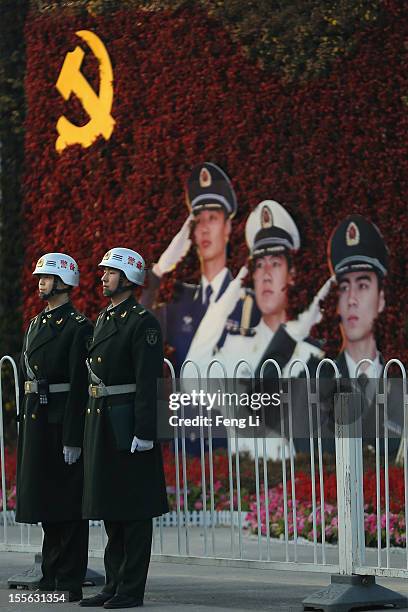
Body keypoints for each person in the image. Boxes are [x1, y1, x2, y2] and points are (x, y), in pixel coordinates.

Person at [185, 201, 331, 458]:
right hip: (241, 489)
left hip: (294, 489)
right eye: (259, 265)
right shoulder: (233, 349)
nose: (265, 275)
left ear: (292, 274)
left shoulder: (311, 355)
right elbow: (190, 378)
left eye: (275, 264)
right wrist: (230, 294)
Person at [80, 247, 168, 609]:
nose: (103, 277)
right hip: (103, 419)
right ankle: (113, 583)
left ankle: (131, 589)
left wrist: (145, 432)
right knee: (111, 507)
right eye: (104, 272)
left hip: (128, 422)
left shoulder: (142, 322)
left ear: (128, 278)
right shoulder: (105, 317)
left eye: (110, 272)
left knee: (132, 510)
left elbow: (147, 382)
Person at [15, 252, 92, 602]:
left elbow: (79, 386)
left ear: (63, 283)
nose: (40, 283)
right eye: (40, 278)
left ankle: (68, 579)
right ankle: (50, 574)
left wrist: (74, 436)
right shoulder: (36, 323)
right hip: (38, 417)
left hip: (61, 419)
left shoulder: (78, 326)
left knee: (68, 504)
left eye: (46, 278)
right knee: (46, 500)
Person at [141, 162, 259, 373]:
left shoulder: (247, 302)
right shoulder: (180, 300)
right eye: (198, 222)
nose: (204, 229)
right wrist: (158, 272)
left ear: (228, 227)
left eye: (212, 219)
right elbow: (139, 332)